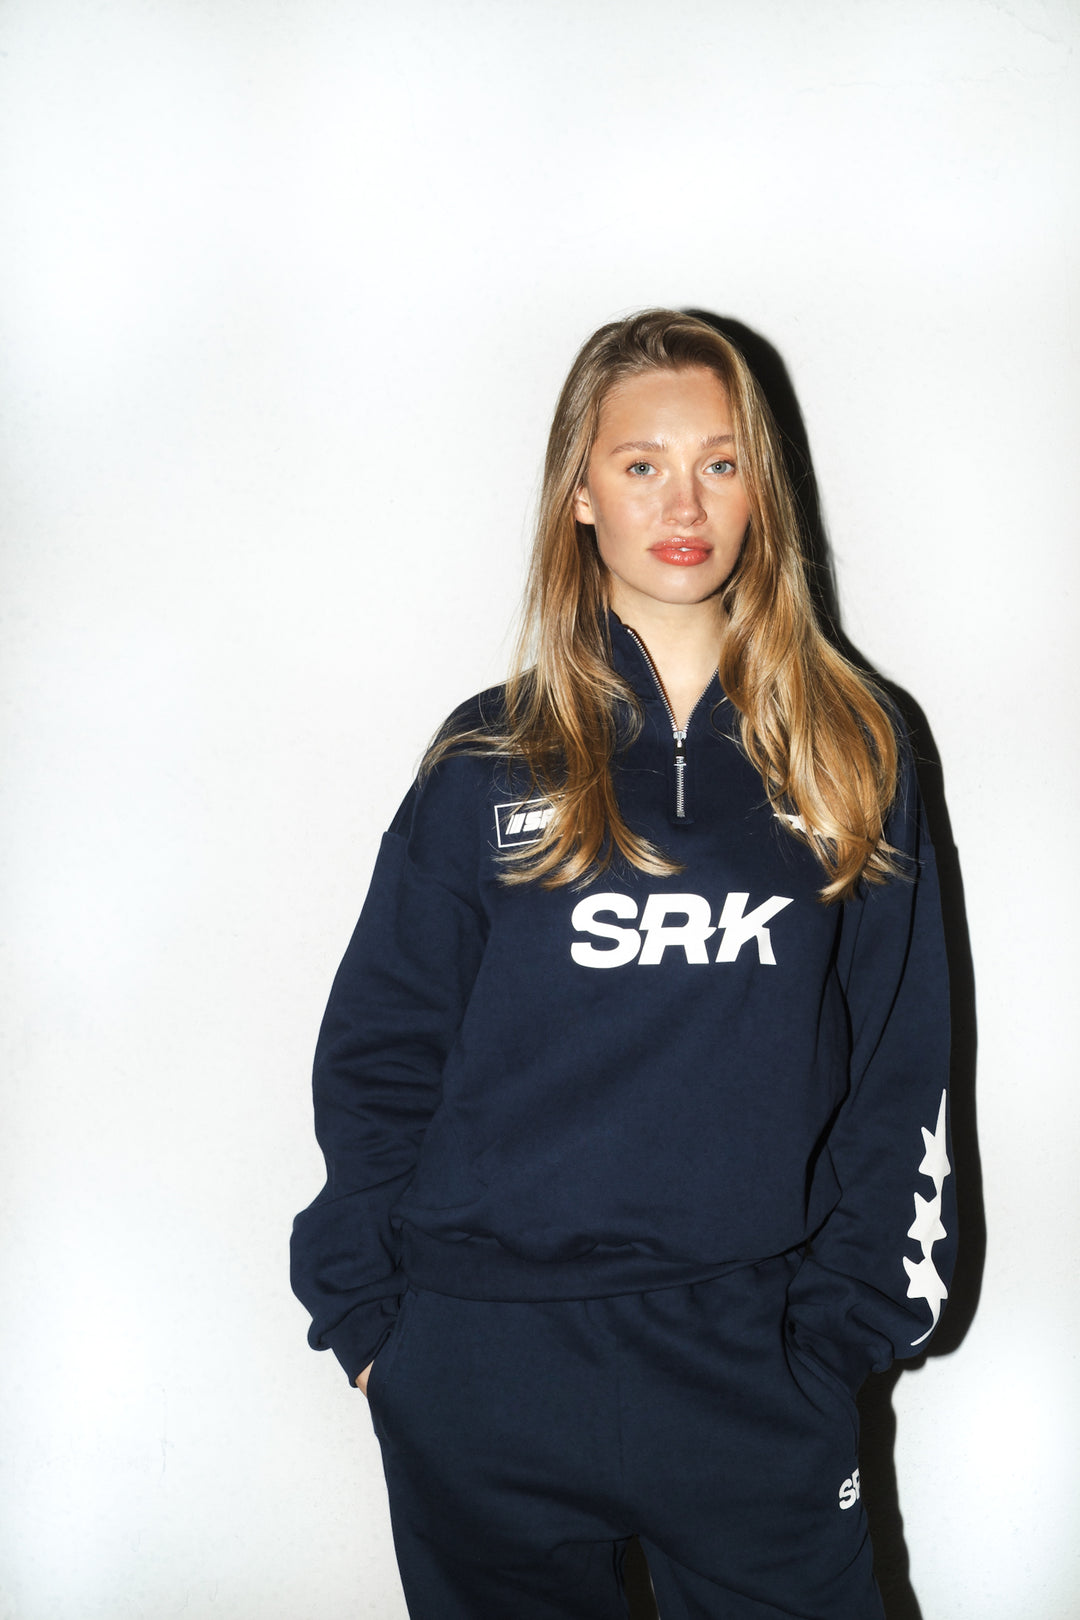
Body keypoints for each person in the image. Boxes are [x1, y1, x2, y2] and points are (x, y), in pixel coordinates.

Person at [291, 309, 955, 1620]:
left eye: (720, 461)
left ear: (762, 488)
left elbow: (902, 1062)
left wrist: (843, 1334)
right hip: (485, 1366)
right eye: (641, 464)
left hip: (750, 1365)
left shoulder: (856, 748)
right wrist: (376, 1325)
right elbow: (381, 1050)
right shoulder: (488, 761)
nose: (683, 503)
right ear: (581, 493)